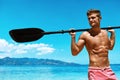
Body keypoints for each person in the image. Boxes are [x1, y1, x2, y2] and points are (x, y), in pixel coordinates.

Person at [69, 9, 117, 80]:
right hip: (95, 71)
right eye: (89, 19)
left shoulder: (105, 33)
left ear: (100, 18)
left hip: (108, 70)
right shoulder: (85, 35)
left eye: (93, 18)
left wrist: (113, 34)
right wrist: (73, 37)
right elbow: (74, 52)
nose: (90, 20)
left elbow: (110, 47)